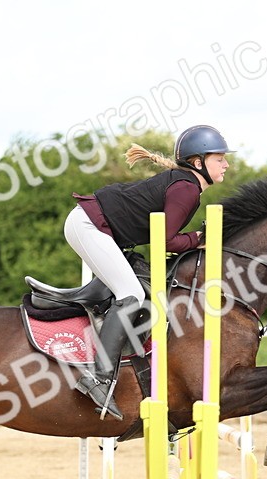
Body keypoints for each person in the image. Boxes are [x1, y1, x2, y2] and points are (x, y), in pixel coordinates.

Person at [65, 124, 232, 420]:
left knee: (132, 286)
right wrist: (199, 239)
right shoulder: (187, 188)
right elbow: (165, 240)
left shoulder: (185, 184)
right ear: (198, 163)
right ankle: (99, 378)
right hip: (89, 226)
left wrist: (195, 239)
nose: (226, 164)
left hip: (95, 227)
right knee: (130, 294)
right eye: (219, 159)